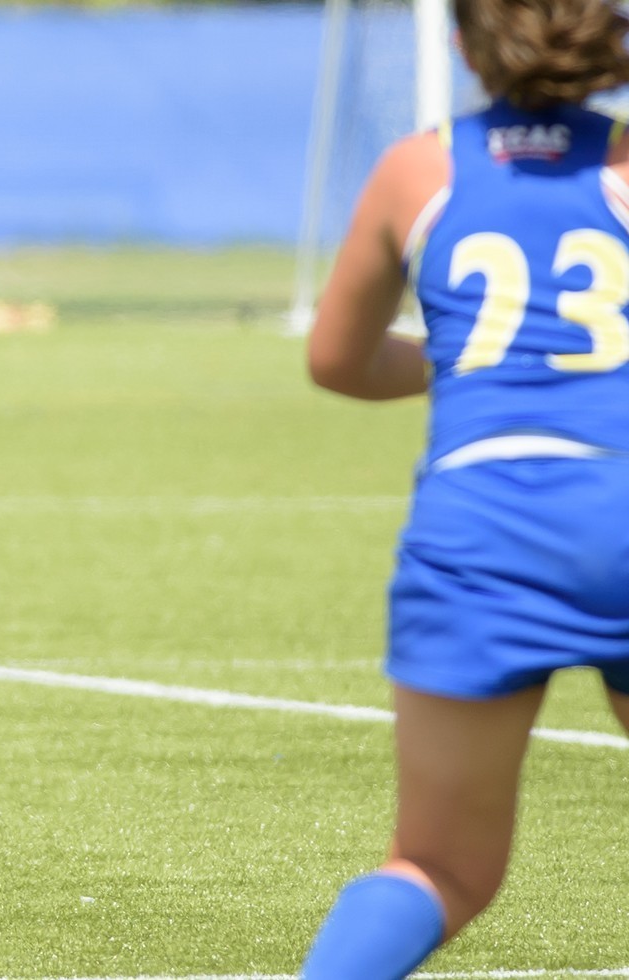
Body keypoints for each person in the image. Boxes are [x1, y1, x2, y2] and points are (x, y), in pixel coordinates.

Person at [301, 0, 629, 973]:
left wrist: (466, 363)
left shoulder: (417, 169)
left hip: (475, 524)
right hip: (615, 507)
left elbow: (335, 360)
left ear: (459, 44)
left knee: (438, 864)